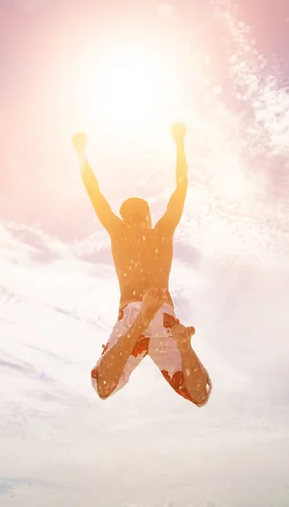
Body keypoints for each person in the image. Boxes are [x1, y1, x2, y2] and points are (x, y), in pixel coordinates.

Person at [72, 123, 212, 407]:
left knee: (103, 386)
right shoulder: (161, 232)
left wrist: (81, 152)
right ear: (148, 216)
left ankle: (141, 324)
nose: (135, 222)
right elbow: (181, 187)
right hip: (165, 317)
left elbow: (94, 192)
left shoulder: (119, 233)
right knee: (201, 394)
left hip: (134, 313)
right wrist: (179, 142)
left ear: (126, 217)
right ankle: (183, 347)